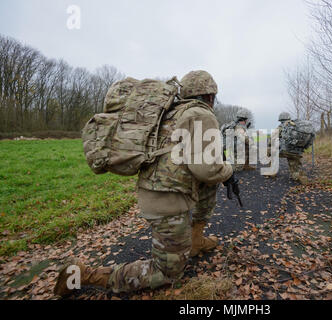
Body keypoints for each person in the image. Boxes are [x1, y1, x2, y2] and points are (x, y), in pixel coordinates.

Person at [54, 70, 233, 296]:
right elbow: (207, 170)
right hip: (168, 201)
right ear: (210, 96)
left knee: (207, 191)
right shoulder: (201, 115)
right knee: (166, 273)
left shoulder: (171, 113)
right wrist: (229, 170)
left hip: (154, 192)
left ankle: (195, 241)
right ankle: (81, 275)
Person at [278, 112, 305, 182]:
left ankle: (271, 172)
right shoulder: (296, 125)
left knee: (269, 152)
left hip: (287, 150)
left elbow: (272, 139)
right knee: (295, 161)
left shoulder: (281, 127)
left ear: (281, 119)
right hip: (298, 150)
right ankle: (299, 175)